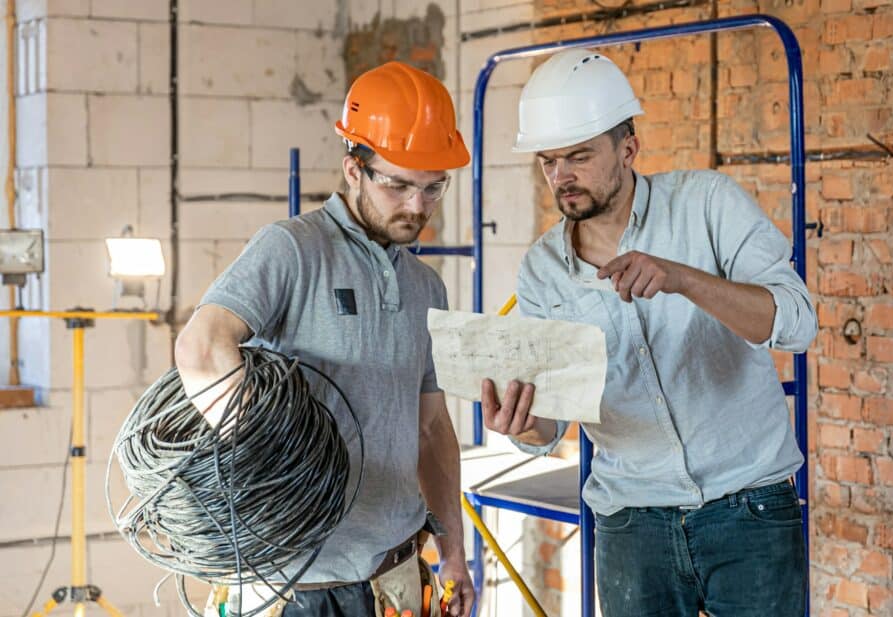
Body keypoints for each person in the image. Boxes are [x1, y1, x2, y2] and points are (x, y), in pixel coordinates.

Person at [481, 49, 817, 617]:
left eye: (579, 156)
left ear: (628, 148)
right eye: (548, 161)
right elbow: (551, 420)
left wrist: (685, 280)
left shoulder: (707, 204)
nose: (561, 177)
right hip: (633, 525)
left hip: (750, 510)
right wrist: (526, 424)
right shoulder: (541, 270)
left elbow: (797, 323)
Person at [175, 61, 474, 617]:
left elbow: (432, 430)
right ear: (353, 169)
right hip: (293, 582)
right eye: (399, 184)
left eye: (434, 188)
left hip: (394, 576)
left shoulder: (427, 288)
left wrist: (454, 550)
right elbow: (202, 348)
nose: (417, 206)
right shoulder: (292, 249)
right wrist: (276, 460)